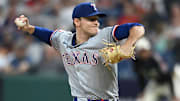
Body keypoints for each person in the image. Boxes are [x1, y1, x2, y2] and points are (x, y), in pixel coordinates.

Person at [14, 2, 145, 101]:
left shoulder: (105, 36)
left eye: (97, 19)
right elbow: (47, 35)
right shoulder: (63, 39)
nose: (96, 23)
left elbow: (138, 28)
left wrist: (128, 44)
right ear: (77, 21)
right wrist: (28, 28)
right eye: (91, 19)